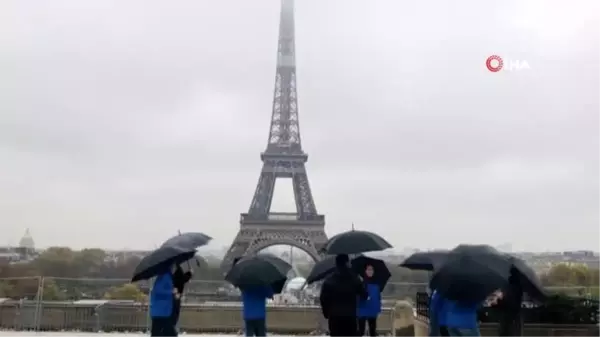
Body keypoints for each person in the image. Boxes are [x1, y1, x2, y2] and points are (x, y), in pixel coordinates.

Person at [319, 254, 368, 337]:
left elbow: (323, 299)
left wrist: (327, 313)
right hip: (350, 317)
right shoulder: (354, 279)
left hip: (334, 317)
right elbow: (364, 295)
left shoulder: (329, 280)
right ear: (347, 263)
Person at [150, 267, 177, 337]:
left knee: (157, 333)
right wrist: (171, 292)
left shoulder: (164, 276)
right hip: (162, 312)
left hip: (160, 311)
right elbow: (158, 290)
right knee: (170, 334)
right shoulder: (165, 276)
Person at [497, 268, 523, 337]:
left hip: (505, 316)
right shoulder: (519, 286)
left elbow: (503, 300)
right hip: (515, 316)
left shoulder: (505, 285)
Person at [358, 264, 382, 337]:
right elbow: (358, 296)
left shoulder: (376, 283)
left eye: (371, 269)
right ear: (365, 271)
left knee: (372, 330)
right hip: (362, 309)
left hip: (372, 309)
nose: (370, 271)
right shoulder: (361, 282)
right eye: (368, 269)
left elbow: (378, 297)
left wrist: (378, 309)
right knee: (361, 330)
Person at [171, 264, 193, 329]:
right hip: (176, 296)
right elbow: (181, 279)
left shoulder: (172, 270)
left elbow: (181, 278)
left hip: (175, 295)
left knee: (174, 315)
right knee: (174, 315)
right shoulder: (176, 269)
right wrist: (190, 274)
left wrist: (189, 274)